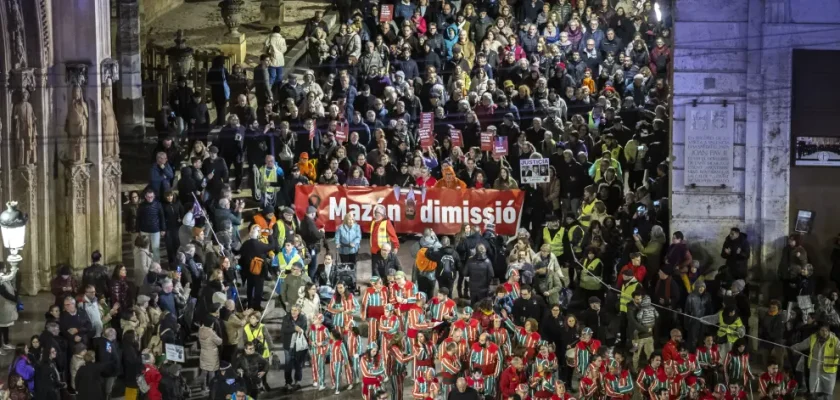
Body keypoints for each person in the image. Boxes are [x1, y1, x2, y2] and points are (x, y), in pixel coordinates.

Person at [280, 305, 308, 390]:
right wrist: (294, 329)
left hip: (298, 346)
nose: (293, 312)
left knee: (298, 364)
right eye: (292, 310)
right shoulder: (286, 318)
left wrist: (294, 329)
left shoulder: (303, 318)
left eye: (295, 310)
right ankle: (288, 382)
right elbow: (284, 329)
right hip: (288, 345)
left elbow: (303, 329)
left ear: (299, 311)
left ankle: (297, 381)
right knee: (288, 364)